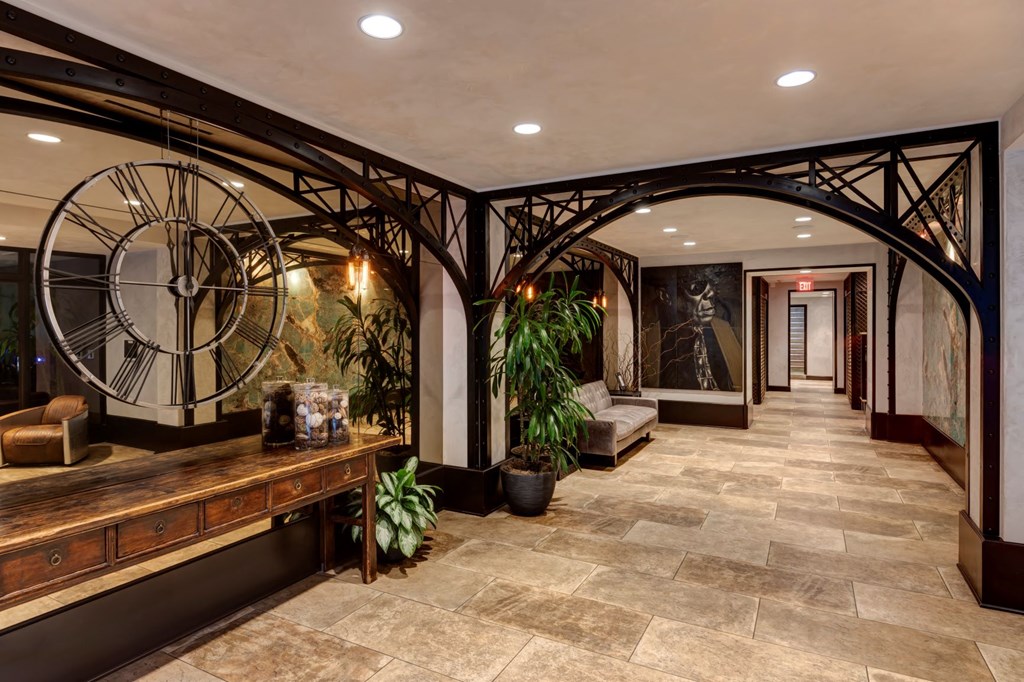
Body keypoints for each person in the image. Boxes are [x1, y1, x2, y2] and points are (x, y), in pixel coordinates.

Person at [648, 266, 742, 391]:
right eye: (697, 287)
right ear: (665, 296)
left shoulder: (725, 329)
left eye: (713, 285)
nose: (711, 293)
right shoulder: (649, 338)